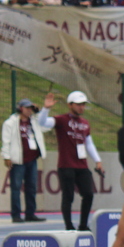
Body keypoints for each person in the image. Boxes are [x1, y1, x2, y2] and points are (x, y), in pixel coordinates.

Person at [38, 91, 104, 231]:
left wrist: (97, 160)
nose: (81, 107)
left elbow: (89, 143)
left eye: (83, 104)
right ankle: (69, 226)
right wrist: (46, 109)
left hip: (82, 165)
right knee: (68, 197)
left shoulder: (85, 123)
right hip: (66, 165)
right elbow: (42, 123)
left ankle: (83, 225)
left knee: (88, 194)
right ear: (70, 105)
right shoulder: (61, 120)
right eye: (78, 104)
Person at [2, 98, 48, 223]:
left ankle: (30, 213)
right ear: (20, 108)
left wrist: (38, 113)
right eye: (27, 108)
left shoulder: (34, 121)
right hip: (18, 160)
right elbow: (6, 141)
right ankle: (16, 214)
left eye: (31, 108)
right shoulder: (10, 123)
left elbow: (46, 127)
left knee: (32, 187)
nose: (29, 111)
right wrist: (6, 156)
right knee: (16, 187)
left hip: (32, 159)